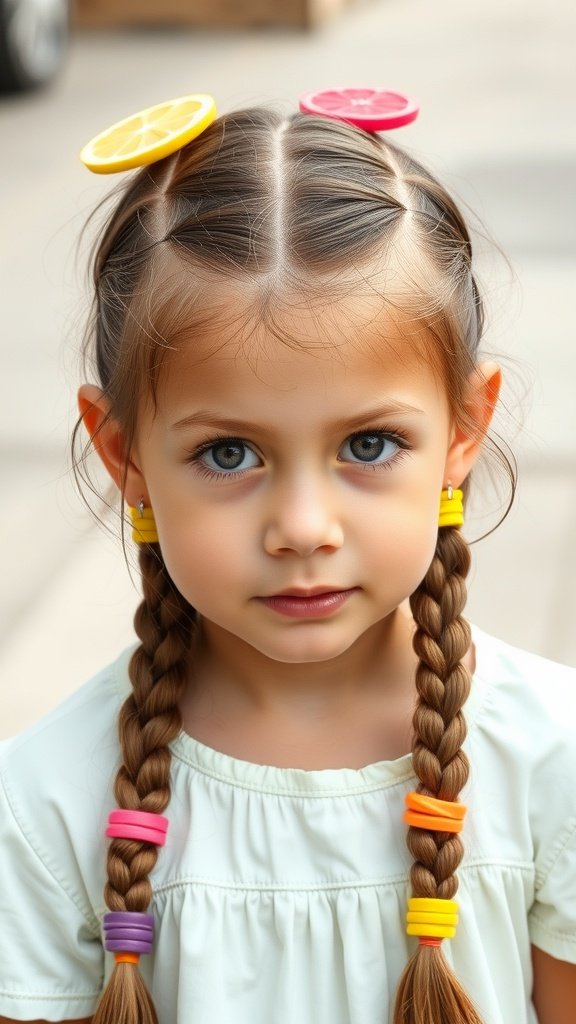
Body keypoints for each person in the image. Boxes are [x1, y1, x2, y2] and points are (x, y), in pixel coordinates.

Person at [0, 91, 575, 1024]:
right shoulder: (45, 805)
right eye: (229, 454)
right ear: (125, 455)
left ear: (465, 428)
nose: (303, 526)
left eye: (369, 445)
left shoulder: (552, 758)